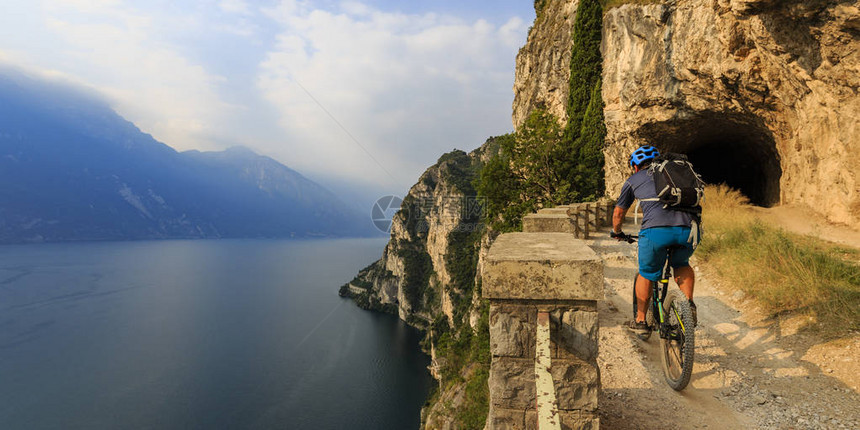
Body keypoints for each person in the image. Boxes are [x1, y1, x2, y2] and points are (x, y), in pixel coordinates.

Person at [610, 146, 699, 336]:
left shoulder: (634, 180)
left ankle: (641, 321)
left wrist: (617, 232)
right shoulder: (675, 174)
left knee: (647, 273)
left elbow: (618, 213)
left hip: (656, 233)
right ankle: (688, 307)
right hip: (688, 230)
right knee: (682, 263)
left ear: (635, 166)